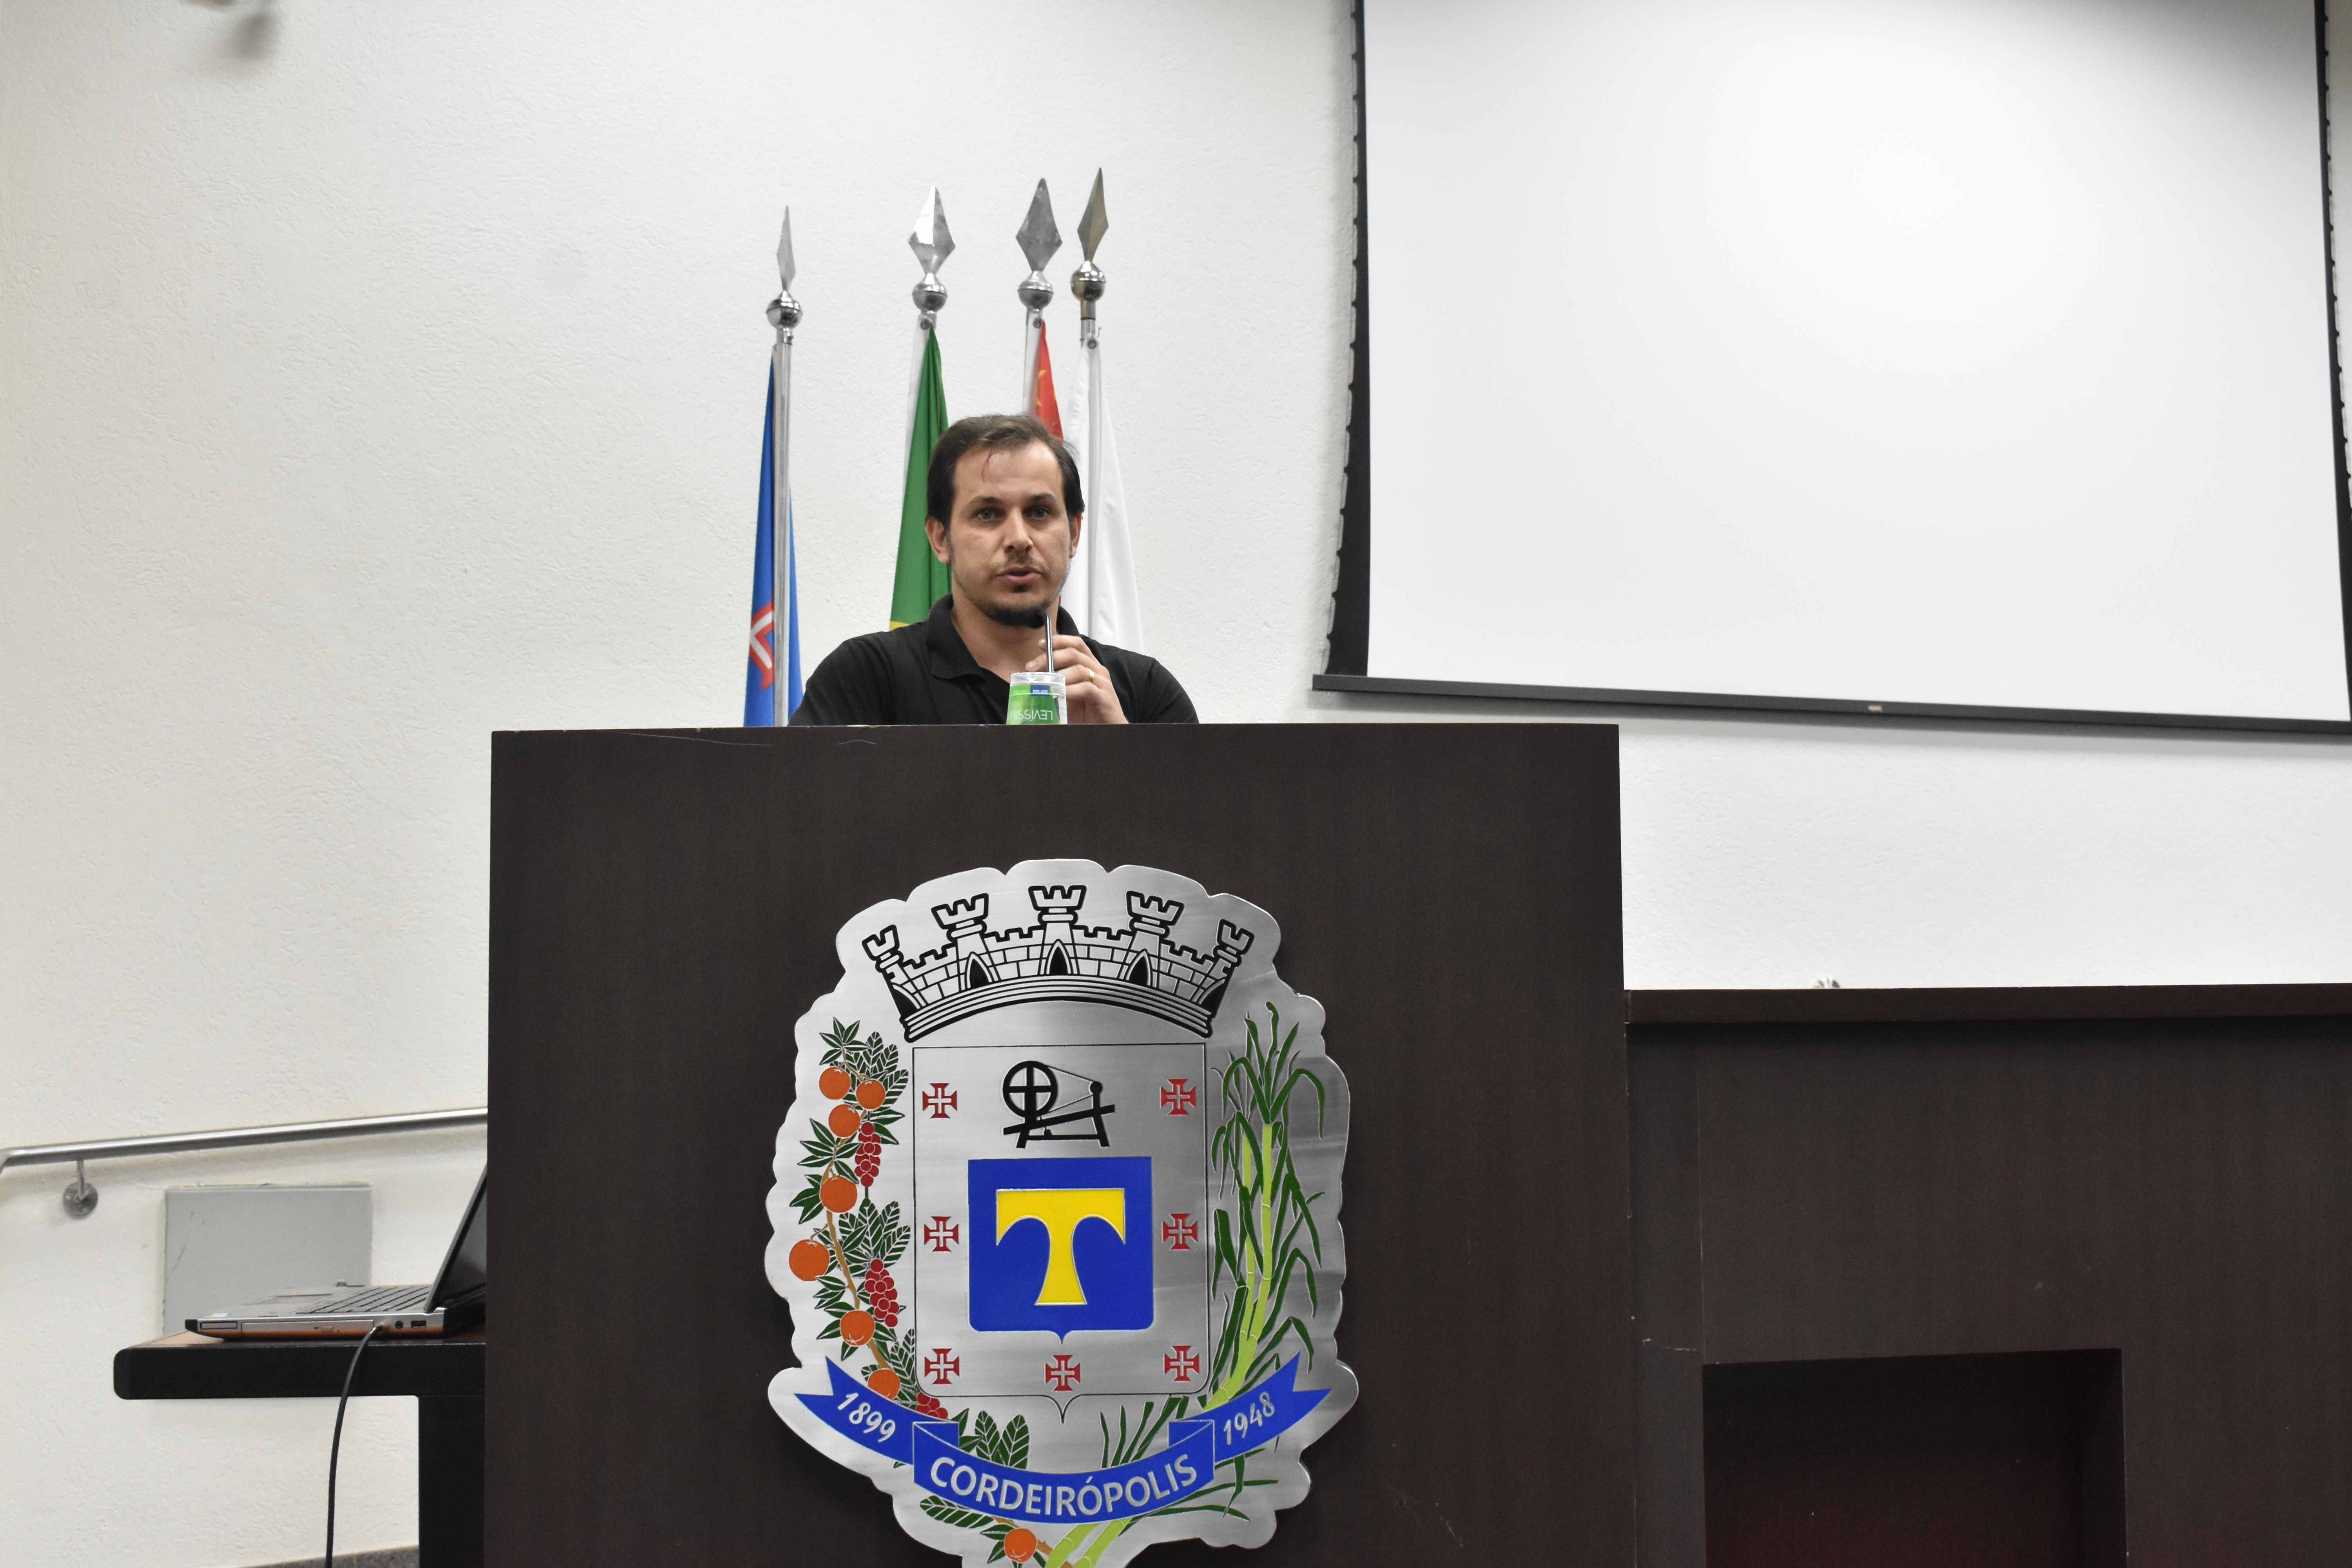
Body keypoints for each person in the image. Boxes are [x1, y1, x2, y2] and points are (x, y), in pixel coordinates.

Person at [791, 413, 1196, 725]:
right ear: (940, 538)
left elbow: (1197, 814)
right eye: (988, 514)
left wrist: (1124, 748)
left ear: (1074, 532)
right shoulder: (865, 677)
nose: (1019, 538)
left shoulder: (1145, 692)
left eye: (1039, 512)